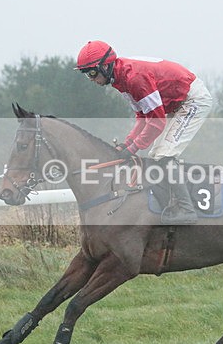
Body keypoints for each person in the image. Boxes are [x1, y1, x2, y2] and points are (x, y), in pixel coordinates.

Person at [75, 40, 213, 225]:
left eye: (92, 73)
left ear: (105, 66)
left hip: (192, 100)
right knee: (156, 155)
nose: (91, 79)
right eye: (86, 75)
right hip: (174, 103)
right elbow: (142, 116)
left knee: (164, 155)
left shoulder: (134, 78)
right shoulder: (120, 80)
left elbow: (157, 123)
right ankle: (173, 203)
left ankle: (187, 210)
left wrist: (133, 148)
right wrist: (127, 143)